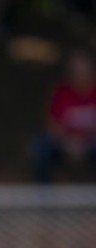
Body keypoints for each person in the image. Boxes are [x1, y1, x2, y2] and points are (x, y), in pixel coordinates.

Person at [31, 48, 96, 183]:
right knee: (40, 146)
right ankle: (43, 198)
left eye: (84, 72)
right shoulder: (60, 92)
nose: (81, 76)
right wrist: (67, 141)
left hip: (91, 142)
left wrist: (85, 141)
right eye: (77, 72)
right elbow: (52, 124)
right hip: (64, 142)